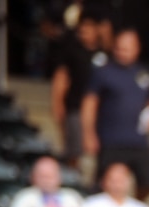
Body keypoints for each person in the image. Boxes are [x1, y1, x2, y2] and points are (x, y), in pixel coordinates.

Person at [81, 27, 149, 196]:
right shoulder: (104, 72)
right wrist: (88, 133)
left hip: (138, 140)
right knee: (103, 183)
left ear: (137, 48)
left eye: (127, 48)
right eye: (120, 47)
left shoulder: (144, 72)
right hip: (111, 139)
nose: (123, 52)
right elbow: (90, 103)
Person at [50, 8, 108, 165]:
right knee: (74, 151)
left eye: (90, 27)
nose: (85, 31)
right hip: (75, 107)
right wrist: (57, 104)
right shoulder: (72, 52)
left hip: (100, 111)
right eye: (82, 28)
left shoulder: (105, 54)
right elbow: (61, 78)